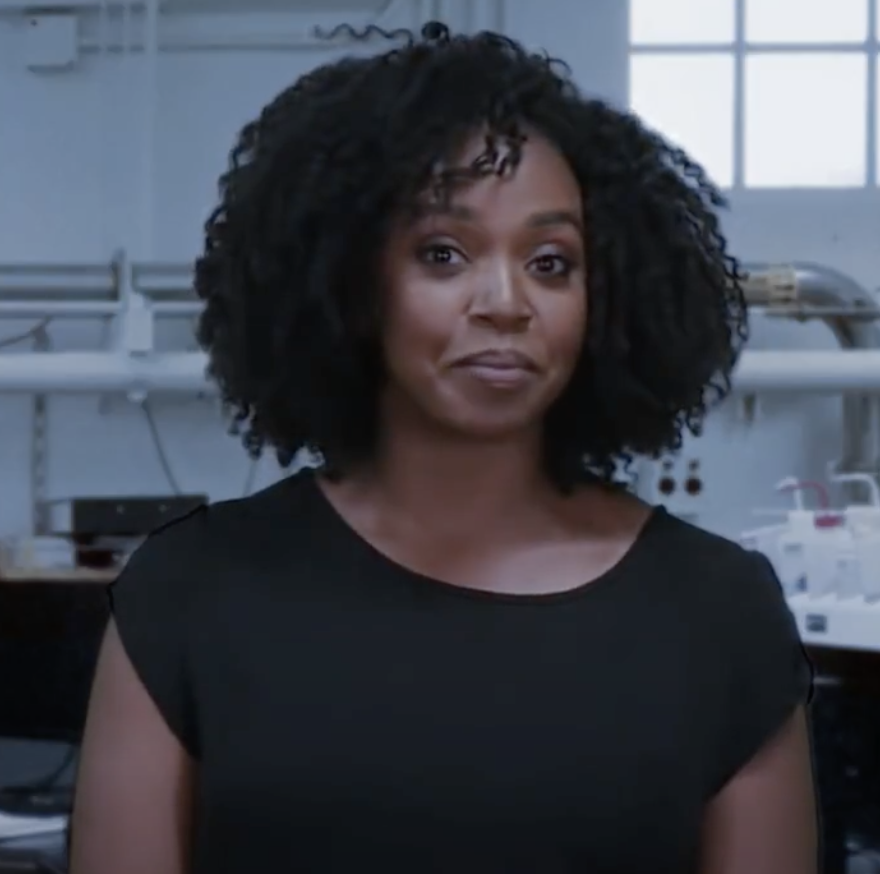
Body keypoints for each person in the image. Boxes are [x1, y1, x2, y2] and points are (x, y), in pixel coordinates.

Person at [69, 21, 817, 874]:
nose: (505, 302)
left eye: (550, 262)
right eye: (443, 253)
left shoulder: (720, 617)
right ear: (348, 279)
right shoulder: (186, 600)